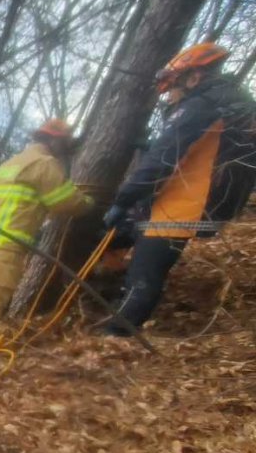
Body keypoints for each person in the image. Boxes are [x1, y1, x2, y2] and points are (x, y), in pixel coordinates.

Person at [100, 42, 256, 335]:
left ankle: (116, 336)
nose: (170, 95)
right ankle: (114, 302)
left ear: (193, 77)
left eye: (172, 87)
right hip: (183, 202)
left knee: (143, 276)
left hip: (180, 207)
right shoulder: (226, 104)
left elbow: (163, 160)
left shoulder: (199, 106)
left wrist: (123, 198)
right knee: (125, 249)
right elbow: (189, 154)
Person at [0, 119, 95, 354]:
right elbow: (65, 201)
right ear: (55, 140)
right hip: (1, 245)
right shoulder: (44, 163)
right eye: (65, 143)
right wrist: (89, 204)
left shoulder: (8, 165)